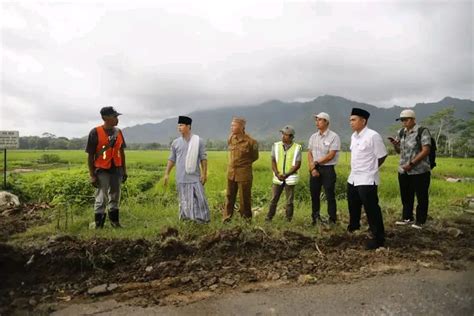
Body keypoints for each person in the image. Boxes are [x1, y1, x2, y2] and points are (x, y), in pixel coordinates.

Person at [347, 108, 387, 250]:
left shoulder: (373, 136)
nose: (350, 122)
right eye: (350, 119)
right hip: (354, 177)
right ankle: (353, 227)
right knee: (353, 204)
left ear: (363, 121)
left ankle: (378, 238)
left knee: (371, 208)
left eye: (353, 119)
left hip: (367, 178)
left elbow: (382, 155)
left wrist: (372, 169)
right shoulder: (354, 136)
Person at [389, 109, 432, 229]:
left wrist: (412, 164)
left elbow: (426, 150)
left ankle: (421, 221)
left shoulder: (422, 131)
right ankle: (407, 218)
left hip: (420, 170)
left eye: (406, 120)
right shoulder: (401, 132)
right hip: (403, 170)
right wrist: (395, 145)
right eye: (402, 120)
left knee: (421, 196)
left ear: (413, 119)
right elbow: (399, 151)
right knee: (406, 195)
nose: (403, 122)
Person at [86, 106, 127, 228]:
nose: (117, 119)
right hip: (102, 170)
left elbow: (122, 152)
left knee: (115, 196)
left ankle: (115, 223)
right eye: (114, 116)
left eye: (117, 116)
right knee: (101, 198)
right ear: (105, 118)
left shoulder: (118, 132)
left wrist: (124, 171)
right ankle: (99, 225)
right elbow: (90, 155)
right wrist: (92, 175)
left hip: (117, 169)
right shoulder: (95, 132)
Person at [164, 116, 210, 223]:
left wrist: (204, 174)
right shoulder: (176, 143)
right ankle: (187, 220)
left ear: (188, 126)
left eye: (181, 125)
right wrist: (167, 174)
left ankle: (202, 220)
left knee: (200, 199)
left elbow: (203, 158)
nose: (179, 127)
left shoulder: (198, 141)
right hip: (181, 177)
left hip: (195, 177)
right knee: (184, 201)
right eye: (178, 125)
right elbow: (172, 159)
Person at [307, 112, 341, 225]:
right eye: (316, 120)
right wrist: (313, 168)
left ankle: (332, 219)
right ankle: (315, 218)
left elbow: (331, 155)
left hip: (328, 169)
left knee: (329, 195)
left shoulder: (334, 137)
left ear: (326, 122)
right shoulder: (313, 137)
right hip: (315, 168)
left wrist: (316, 162)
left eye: (320, 120)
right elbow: (310, 153)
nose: (317, 122)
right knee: (314, 194)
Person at [223, 117, 259, 222]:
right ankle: (227, 218)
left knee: (244, 198)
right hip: (231, 173)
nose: (231, 127)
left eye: (234, 125)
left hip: (244, 174)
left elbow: (255, 157)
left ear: (242, 127)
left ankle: (246, 220)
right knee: (229, 196)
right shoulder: (231, 138)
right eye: (231, 125)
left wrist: (244, 165)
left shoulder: (252, 142)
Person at [265, 125, 302, 222]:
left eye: (285, 134)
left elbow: (297, 164)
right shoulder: (276, 145)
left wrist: (287, 174)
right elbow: (273, 160)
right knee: (273, 199)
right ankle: (269, 218)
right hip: (278, 177)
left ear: (290, 136)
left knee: (289, 201)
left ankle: (288, 220)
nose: (282, 136)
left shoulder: (297, 148)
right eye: (282, 134)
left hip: (290, 178)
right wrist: (277, 173)